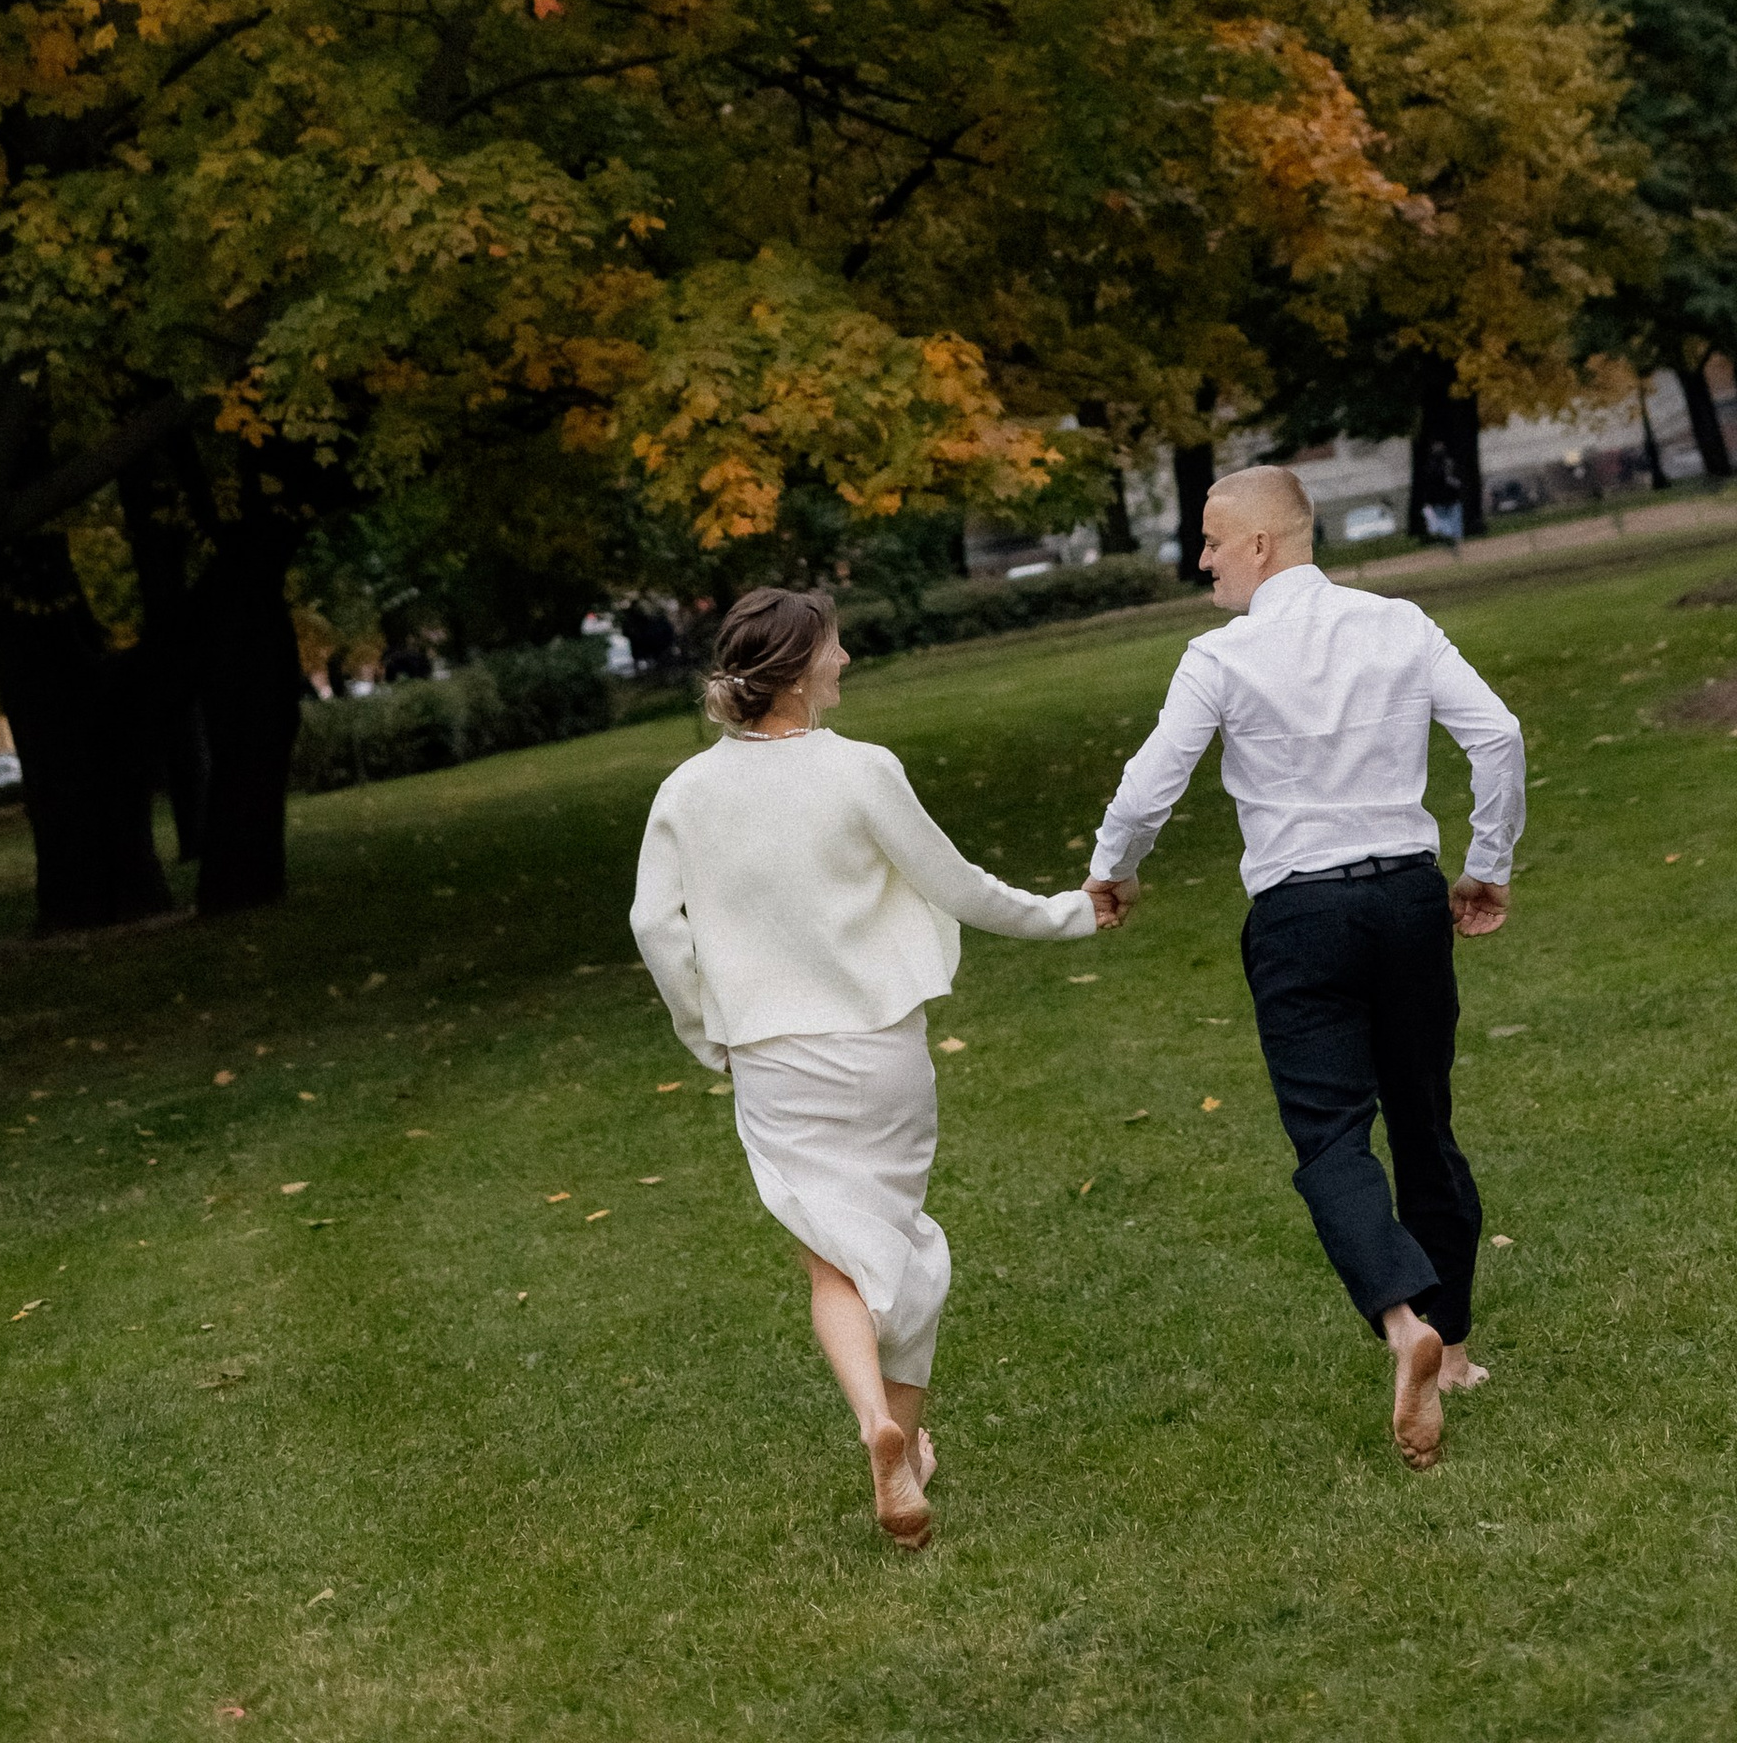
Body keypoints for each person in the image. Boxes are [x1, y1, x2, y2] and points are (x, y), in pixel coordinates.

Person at [630, 585, 1101, 1550]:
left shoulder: (685, 790)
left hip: (771, 1055)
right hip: (880, 1046)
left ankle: (874, 1428)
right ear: (801, 670)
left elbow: (651, 923)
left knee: (831, 1256)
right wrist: (1077, 910)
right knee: (903, 1245)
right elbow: (960, 888)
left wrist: (700, 1028)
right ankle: (904, 1435)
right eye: (836, 648)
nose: (845, 661)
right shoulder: (863, 771)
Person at [1083, 464, 1525, 1471]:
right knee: (1424, 1121)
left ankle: (1400, 1320)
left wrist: (1112, 869)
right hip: (1409, 898)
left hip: (1298, 916)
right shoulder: (1398, 623)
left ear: (1260, 547)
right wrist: (1485, 866)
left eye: (1208, 541)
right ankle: (1449, 1345)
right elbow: (1495, 735)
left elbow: (1153, 780)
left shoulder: (1218, 656)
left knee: (1331, 1139)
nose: (1198, 561)